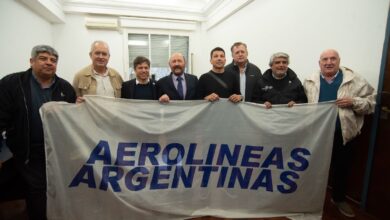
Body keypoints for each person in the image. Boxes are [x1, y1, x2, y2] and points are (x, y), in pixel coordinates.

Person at [0, 45, 76, 219]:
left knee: (54, 187)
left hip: (56, 150)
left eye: (53, 60)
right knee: (38, 189)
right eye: (43, 58)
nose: (49, 63)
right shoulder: (12, 84)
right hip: (26, 149)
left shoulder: (65, 88)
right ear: (32, 61)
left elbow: (71, 121)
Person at [304, 49, 376, 218]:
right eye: (325, 59)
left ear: (339, 61)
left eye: (332, 59)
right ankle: (309, 199)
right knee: (313, 167)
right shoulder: (309, 81)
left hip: (344, 133)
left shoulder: (353, 79)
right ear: (319, 62)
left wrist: (353, 102)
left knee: (342, 168)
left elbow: (371, 103)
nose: (329, 62)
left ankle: (338, 198)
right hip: (317, 134)